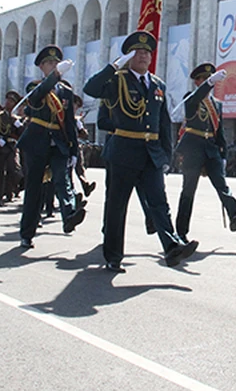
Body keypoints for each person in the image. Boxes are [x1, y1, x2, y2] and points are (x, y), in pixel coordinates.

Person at [83, 31, 197, 272]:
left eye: (147, 52)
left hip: (151, 153)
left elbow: (163, 123)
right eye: (138, 52)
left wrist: (167, 155)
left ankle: (171, 246)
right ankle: (113, 255)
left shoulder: (157, 85)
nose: (144, 55)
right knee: (117, 205)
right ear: (129, 56)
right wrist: (113, 67)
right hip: (123, 151)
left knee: (159, 202)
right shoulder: (116, 80)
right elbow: (91, 88)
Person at [16, 46, 86, 248]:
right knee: (34, 188)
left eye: (56, 63)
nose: (54, 66)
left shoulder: (66, 91)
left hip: (58, 142)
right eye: (50, 63)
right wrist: (55, 76)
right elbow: (37, 97)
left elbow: (70, 124)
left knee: (62, 180)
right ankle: (27, 233)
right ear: (41, 67)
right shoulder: (34, 87)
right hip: (36, 141)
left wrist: (73, 151)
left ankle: (69, 216)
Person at [174, 62, 236, 242]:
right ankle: (181, 232)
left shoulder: (216, 104)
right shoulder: (190, 98)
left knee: (221, 184)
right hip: (193, 147)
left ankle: (234, 214)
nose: (210, 83)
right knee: (188, 191)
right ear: (197, 82)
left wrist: (223, 154)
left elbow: (220, 131)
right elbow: (195, 99)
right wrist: (208, 84)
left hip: (211, 148)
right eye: (205, 80)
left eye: (211, 80)